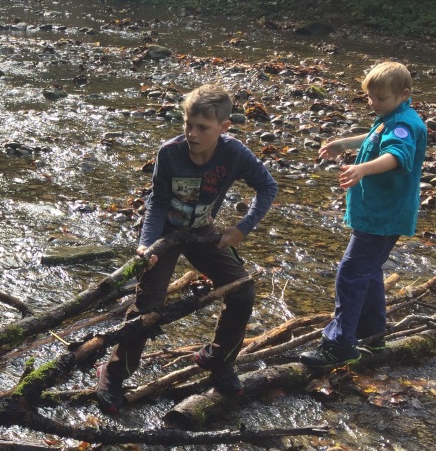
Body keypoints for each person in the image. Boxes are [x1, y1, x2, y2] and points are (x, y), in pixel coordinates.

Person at [95, 84, 278, 414]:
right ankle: (114, 372)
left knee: (242, 290)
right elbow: (157, 202)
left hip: (203, 231)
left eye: (202, 128)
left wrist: (242, 228)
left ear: (224, 127)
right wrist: (146, 245)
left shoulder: (235, 154)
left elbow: (267, 187)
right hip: (165, 233)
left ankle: (218, 358)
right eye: (188, 125)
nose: (192, 134)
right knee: (148, 305)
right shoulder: (170, 153)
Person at [299, 62, 427, 369]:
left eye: (380, 98)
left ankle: (340, 344)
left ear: (404, 94)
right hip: (377, 213)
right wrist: (343, 143)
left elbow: (396, 155)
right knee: (367, 272)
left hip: (383, 215)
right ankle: (373, 334)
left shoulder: (405, 124)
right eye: (370, 96)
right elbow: (374, 137)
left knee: (350, 273)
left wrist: (362, 169)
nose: (373, 103)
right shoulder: (391, 117)